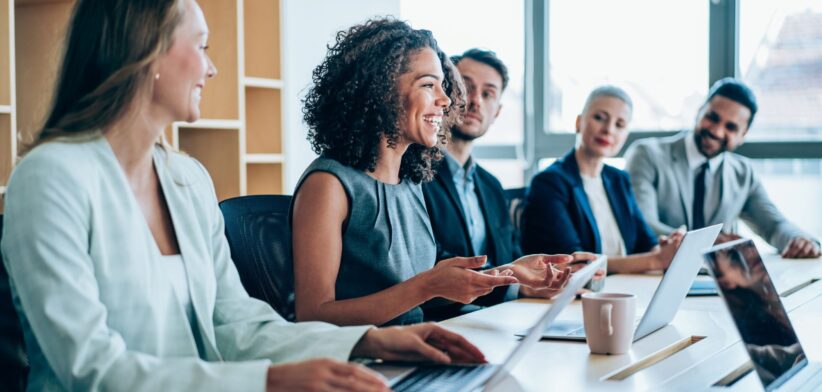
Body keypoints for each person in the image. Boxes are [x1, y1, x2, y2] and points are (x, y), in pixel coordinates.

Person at [0, 2, 487, 391]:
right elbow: (90, 368)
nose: (212, 68)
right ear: (145, 51)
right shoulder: (51, 178)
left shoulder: (186, 179)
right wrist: (269, 381)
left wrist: (373, 340)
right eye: (202, 45)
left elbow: (238, 325)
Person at [291, 19, 576, 328]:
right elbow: (313, 315)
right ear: (381, 88)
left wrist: (508, 272)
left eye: (443, 85)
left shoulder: (410, 182)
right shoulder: (328, 184)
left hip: (415, 346)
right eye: (428, 85)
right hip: (364, 364)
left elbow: (421, 296)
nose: (447, 100)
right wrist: (426, 285)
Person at [421, 49, 595, 319]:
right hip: (444, 320)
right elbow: (428, 262)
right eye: (465, 87)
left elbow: (511, 256)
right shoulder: (416, 174)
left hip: (497, 316)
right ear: (445, 93)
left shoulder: (490, 185)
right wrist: (516, 287)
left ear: (498, 112)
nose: (475, 100)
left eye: (488, 93)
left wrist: (548, 277)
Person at [625, 78, 820, 258]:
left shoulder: (743, 173)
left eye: (731, 127)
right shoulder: (647, 155)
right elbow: (643, 225)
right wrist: (707, 242)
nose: (717, 131)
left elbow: (774, 226)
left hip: (719, 283)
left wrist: (800, 240)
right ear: (699, 111)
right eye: (713, 118)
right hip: (654, 276)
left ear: (743, 135)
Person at [521, 86, 683, 273]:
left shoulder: (619, 179)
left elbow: (646, 242)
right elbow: (574, 262)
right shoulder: (549, 182)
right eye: (599, 118)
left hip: (624, 287)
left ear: (625, 135)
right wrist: (655, 261)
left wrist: (667, 249)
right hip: (577, 294)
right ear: (578, 122)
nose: (608, 130)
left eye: (619, 125)